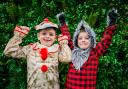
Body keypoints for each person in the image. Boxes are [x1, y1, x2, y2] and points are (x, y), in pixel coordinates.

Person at [57, 9, 117, 89]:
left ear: (91, 40)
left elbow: (106, 41)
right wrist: (63, 24)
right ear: (76, 40)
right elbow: (66, 37)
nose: (83, 40)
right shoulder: (72, 50)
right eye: (80, 38)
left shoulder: (95, 51)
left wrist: (111, 24)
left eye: (87, 38)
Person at [3, 18, 71, 89]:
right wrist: (18, 36)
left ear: (55, 38)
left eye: (51, 34)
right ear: (38, 36)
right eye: (44, 33)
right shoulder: (30, 48)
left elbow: (67, 59)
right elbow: (9, 51)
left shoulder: (57, 49)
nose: (47, 36)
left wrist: (64, 44)